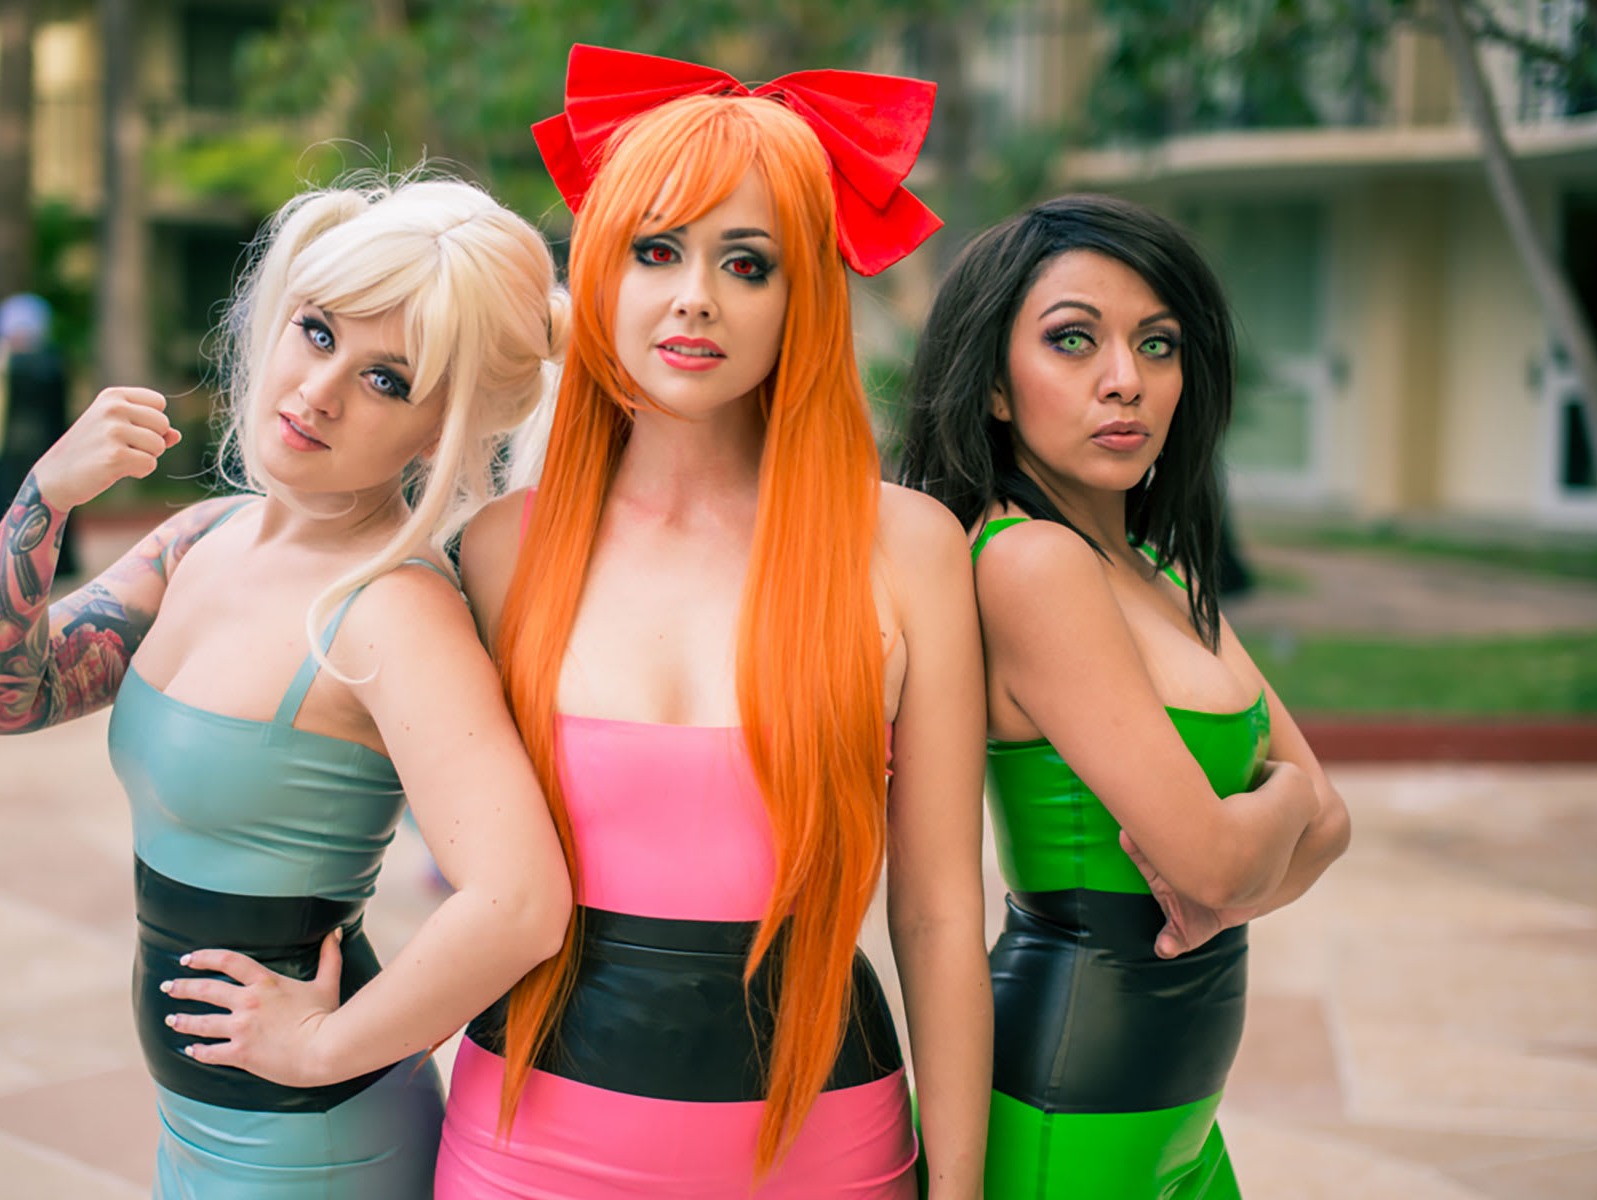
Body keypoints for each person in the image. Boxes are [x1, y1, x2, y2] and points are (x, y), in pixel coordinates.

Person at [430, 45, 992, 1199]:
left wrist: (962, 1185)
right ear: (598, 271)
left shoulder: (909, 547)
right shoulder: (498, 550)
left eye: (747, 262)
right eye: (656, 251)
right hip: (525, 1152)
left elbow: (939, 915)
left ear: (803, 298)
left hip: (829, 1150)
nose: (696, 295)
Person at [0, 177, 574, 1197]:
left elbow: (520, 903)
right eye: (318, 332)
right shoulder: (207, 535)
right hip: (202, 1124)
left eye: (387, 380)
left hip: (309, 1145)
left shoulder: (393, 611)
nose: (318, 390)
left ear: (439, 432)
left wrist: (323, 1048)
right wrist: (43, 496)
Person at [897, 194, 1351, 1198]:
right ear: (996, 387)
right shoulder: (1030, 565)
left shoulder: (1156, 566)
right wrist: (1276, 808)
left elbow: (1332, 828)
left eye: (1158, 344)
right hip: (1067, 1116)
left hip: (1176, 1120)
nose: (1126, 381)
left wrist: (1251, 853)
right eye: (1073, 340)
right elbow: (1227, 857)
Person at [0, 293, 79, 576]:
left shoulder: (1, 363)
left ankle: (11, 565)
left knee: (15, 509)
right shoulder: (47, 361)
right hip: (40, 444)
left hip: (13, 448)